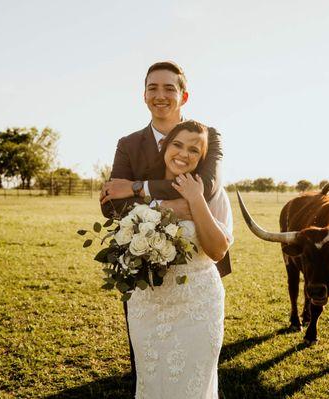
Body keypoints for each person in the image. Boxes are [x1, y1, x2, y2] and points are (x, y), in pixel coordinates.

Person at [98, 61, 231, 393]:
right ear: (143, 95)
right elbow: (111, 205)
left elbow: (205, 189)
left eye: (169, 88)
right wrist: (177, 203)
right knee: (149, 374)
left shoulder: (208, 136)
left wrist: (138, 188)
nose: (160, 95)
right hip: (144, 283)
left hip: (196, 283)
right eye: (152, 88)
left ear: (184, 95)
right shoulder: (128, 144)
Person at [126, 120, 232, 398]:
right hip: (147, 305)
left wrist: (196, 201)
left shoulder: (213, 194)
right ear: (164, 146)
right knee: (151, 383)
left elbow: (218, 250)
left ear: (202, 158)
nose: (184, 154)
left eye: (194, 151)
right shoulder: (140, 188)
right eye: (178, 145)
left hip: (197, 305)